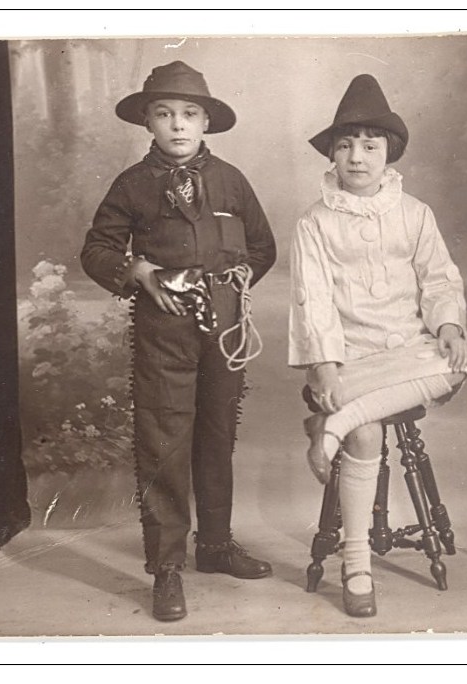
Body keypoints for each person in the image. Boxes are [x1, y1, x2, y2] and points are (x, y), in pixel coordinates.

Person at [81, 61, 277, 622]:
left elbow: (262, 248)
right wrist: (140, 272)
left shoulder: (233, 181)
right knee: (165, 439)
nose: (178, 125)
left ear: (207, 120)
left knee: (216, 434)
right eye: (165, 114)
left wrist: (229, 285)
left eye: (189, 114)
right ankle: (167, 567)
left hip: (226, 328)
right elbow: (96, 251)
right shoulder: (132, 185)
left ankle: (214, 547)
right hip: (163, 332)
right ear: (147, 120)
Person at [289, 74, 467, 618]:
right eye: (344, 145)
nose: (357, 157)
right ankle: (357, 563)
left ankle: (334, 423)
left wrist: (448, 326)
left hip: (410, 350)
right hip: (348, 358)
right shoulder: (315, 222)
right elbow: (312, 299)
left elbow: (438, 279)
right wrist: (324, 367)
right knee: (367, 433)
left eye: (370, 145)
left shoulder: (414, 213)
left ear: (389, 152)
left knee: (457, 364)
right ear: (332, 154)